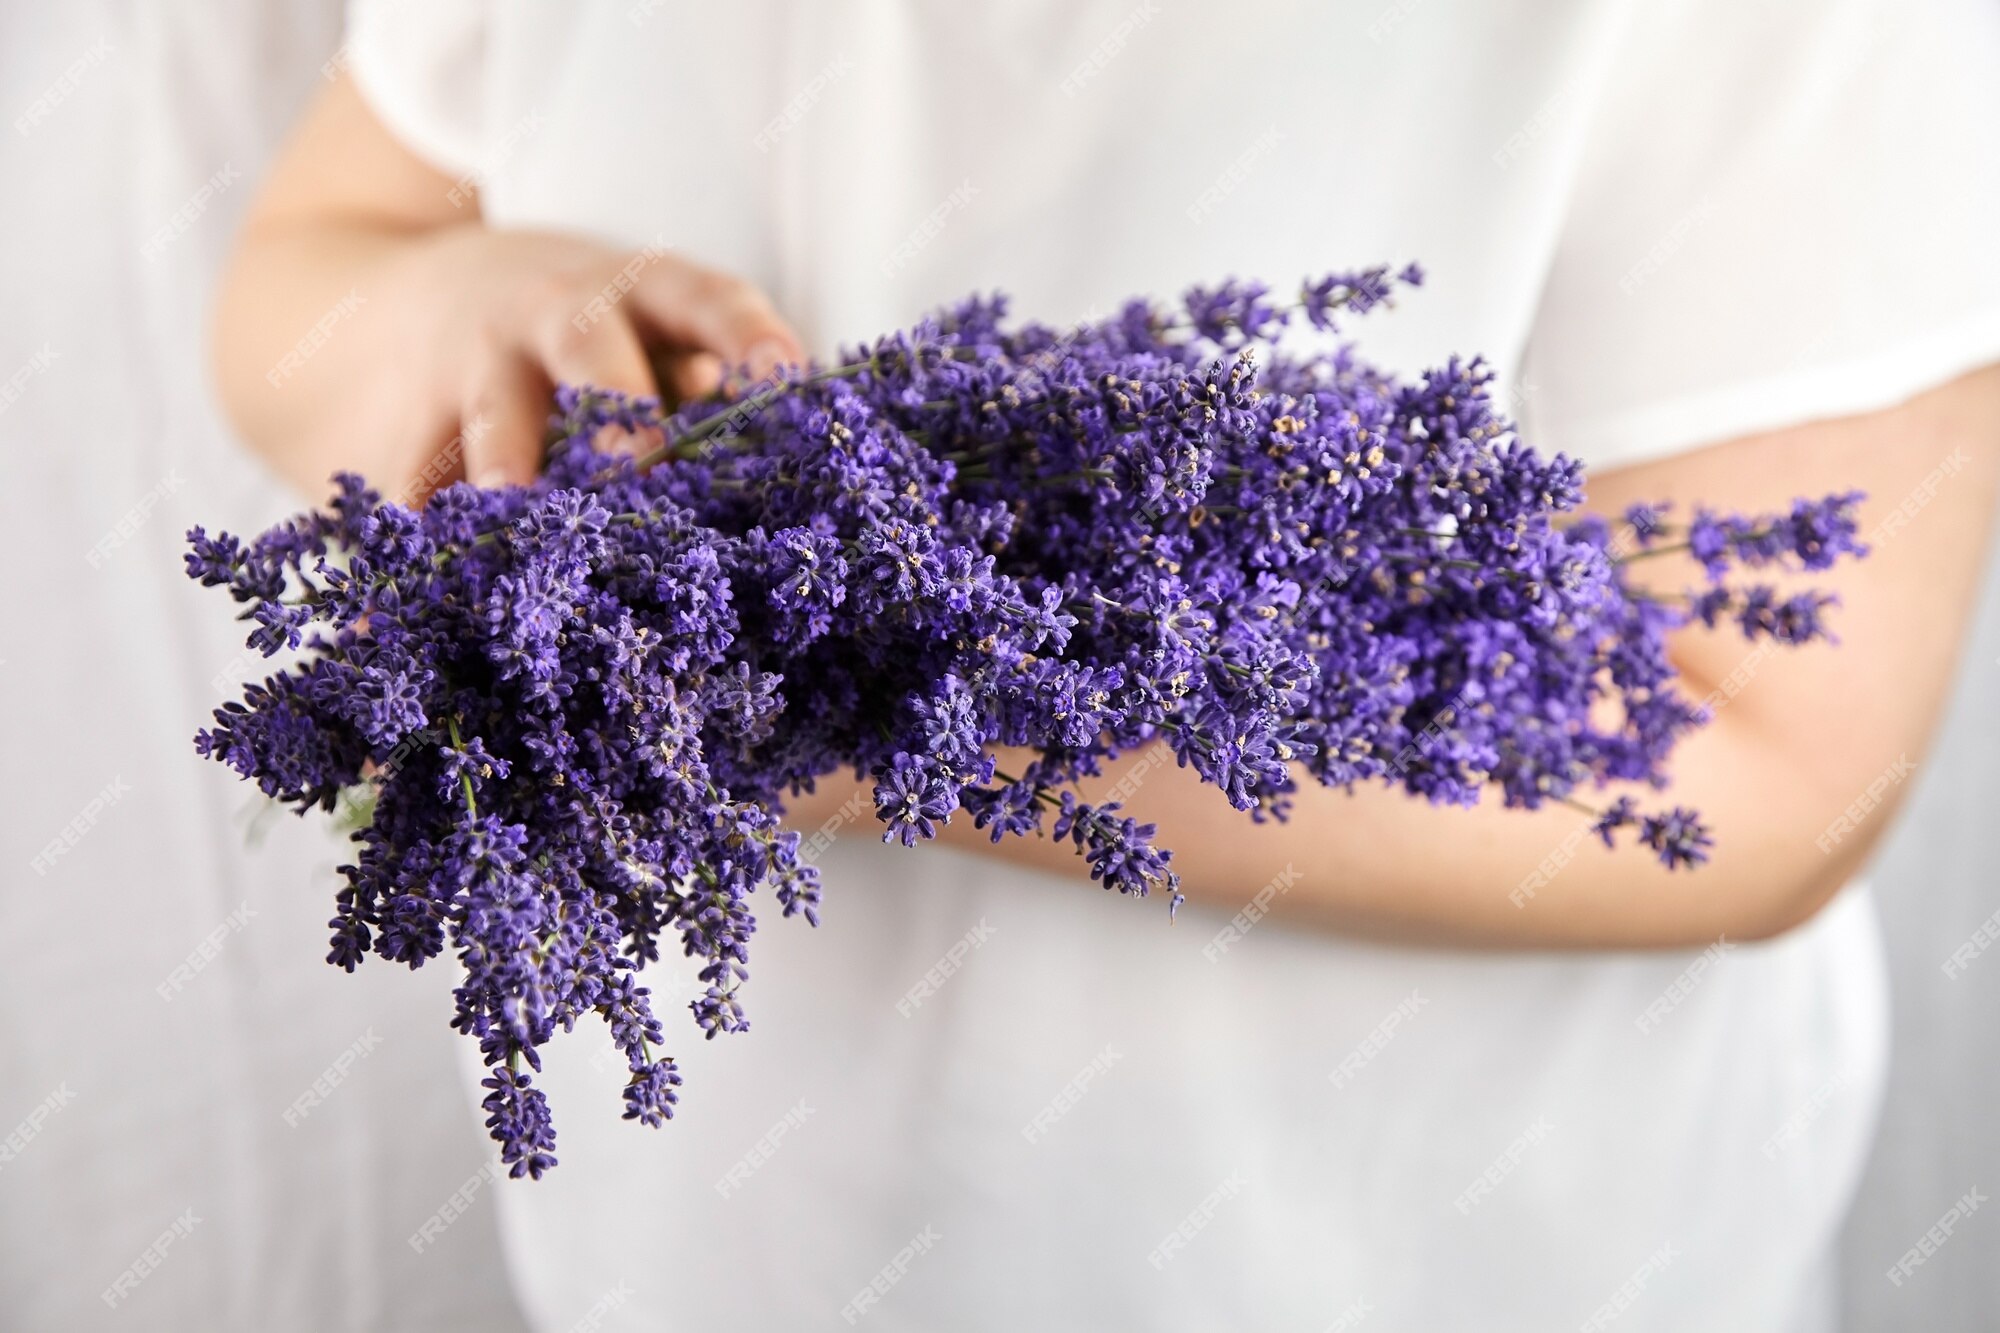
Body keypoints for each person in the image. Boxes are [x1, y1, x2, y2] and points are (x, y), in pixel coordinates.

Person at [211, 1, 2000, 1327]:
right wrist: (457, 314)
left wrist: (912, 702)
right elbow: (309, 269)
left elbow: (1766, 749)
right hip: (728, 1248)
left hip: (1410, 1247)